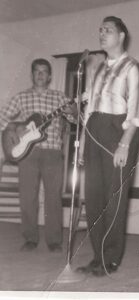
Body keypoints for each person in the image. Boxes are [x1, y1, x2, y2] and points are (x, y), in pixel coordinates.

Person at [76, 16, 139, 277]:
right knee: (93, 198)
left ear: (121, 36)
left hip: (119, 131)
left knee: (113, 198)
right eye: (100, 30)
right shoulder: (98, 69)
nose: (102, 34)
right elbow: (90, 109)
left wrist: (124, 146)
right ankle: (97, 256)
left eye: (108, 30)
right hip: (94, 130)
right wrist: (83, 144)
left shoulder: (133, 68)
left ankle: (111, 258)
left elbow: (135, 112)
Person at [0, 58, 76, 252]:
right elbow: (3, 117)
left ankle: (54, 241)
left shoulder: (60, 97)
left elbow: (76, 119)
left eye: (44, 71)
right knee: (27, 197)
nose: (40, 75)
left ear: (50, 76)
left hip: (53, 152)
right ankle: (30, 238)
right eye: (37, 71)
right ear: (32, 74)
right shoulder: (21, 97)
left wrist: (73, 110)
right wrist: (10, 138)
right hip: (28, 153)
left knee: (53, 197)